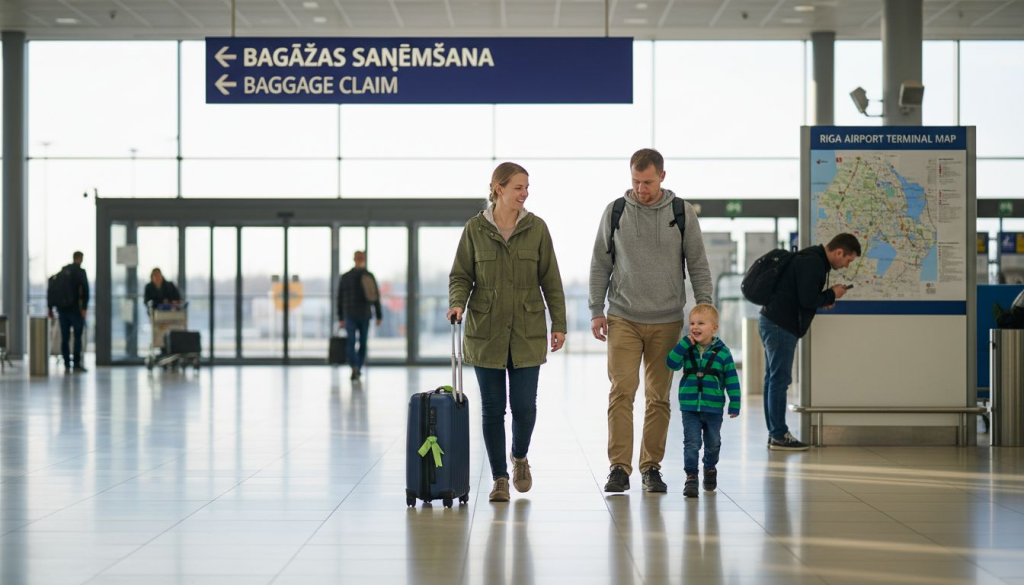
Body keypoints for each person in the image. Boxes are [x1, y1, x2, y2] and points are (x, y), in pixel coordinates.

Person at [590, 148, 713, 494]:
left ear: (662, 176)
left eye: (647, 182)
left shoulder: (681, 213)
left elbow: (698, 264)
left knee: (658, 397)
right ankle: (619, 467)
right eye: (635, 181)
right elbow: (600, 263)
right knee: (622, 391)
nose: (641, 189)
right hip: (623, 316)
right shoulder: (616, 211)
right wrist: (596, 309)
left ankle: (650, 468)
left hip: (667, 320)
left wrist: (705, 308)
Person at [448, 162, 566, 503]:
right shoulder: (474, 229)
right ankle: (499, 477)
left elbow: (551, 280)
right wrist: (457, 303)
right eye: (518, 187)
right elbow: (460, 276)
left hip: (527, 332)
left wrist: (559, 323)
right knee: (492, 409)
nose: (525, 193)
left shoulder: (536, 228)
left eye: (527, 187)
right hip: (486, 332)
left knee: (525, 407)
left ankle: (520, 456)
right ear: (498, 189)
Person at [759, 232, 861, 451]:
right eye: (848, 260)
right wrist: (831, 294)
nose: (846, 265)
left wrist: (823, 299)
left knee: (773, 379)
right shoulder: (814, 263)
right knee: (779, 380)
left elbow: (803, 296)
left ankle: (775, 433)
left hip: (773, 321)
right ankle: (778, 436)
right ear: (839, 252)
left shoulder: (811, 258)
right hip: (781, 325)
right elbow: (807, 299)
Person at [666, 304, 740, 498]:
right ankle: (691, 477)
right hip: (690, 407)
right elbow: (671, 363)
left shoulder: (723, 353)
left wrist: (735, 403)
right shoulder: (687, 349)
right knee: (691, 443)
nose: (695, 327)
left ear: (714, 328)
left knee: (713, 442)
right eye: (692, 323)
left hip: (713, 408)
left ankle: (710, 468)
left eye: (701, 323)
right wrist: (683, 344)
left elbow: (732, 379)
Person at [337, 251, 382, 380]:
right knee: (351, 342)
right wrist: (340, 317)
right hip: (350, 314)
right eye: (358, 258)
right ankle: (355, 367)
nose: (360, 260)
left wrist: (379, 315)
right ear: (354, 259)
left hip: (364, 314)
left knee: (362, 342)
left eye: (361, 258)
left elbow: (375, 296)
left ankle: (357, 367)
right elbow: (340, 297)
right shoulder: (346, 277)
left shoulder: (369, 276)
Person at [47, 251, 90, 373]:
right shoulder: (80, 272)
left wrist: (50, 308)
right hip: (76, 310)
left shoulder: (63, 272)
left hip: (62, 310)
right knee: (77, 337)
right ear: (80, 259)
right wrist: (84, 308)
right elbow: (85, 291)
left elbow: (53, 288)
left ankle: (66, 363)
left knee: (65, 338)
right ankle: (76, 363)